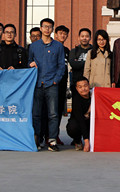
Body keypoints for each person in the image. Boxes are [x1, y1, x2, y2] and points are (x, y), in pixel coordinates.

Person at [28, 18, 66, 151]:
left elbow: (61, 65)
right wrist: (30, 64)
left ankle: (52, 140)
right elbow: (29, 62)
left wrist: (56, 80)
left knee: (53, 114)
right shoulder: (33, 46)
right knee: (36, 114)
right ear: (40, 28)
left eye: (49, 27)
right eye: (45, 26)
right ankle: (37, 139)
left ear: (52, 29)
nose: (47, 29)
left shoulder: (58, 46)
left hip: (52, 84)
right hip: (37, 84)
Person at [66, 76, 91, 151]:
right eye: (80, 87)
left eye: (85, 86)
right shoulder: (76, 100)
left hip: (91, 123)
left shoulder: (94, 95)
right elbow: (81, 121)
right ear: (76, 88)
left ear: (89, 86)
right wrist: (86, 142)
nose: (83, 89)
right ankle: (77, 141)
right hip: (80, 122)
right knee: (72, 127)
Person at [68, 28, 93, 92]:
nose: (84, 38)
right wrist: (88, 63)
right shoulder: (74, 51)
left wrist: (79, 62)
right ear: (79, 38)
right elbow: (73, 64)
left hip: (91, 83)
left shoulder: (94, 51)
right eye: (82, 36)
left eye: (87, 36)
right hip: (76, 83)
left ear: (90, 38)